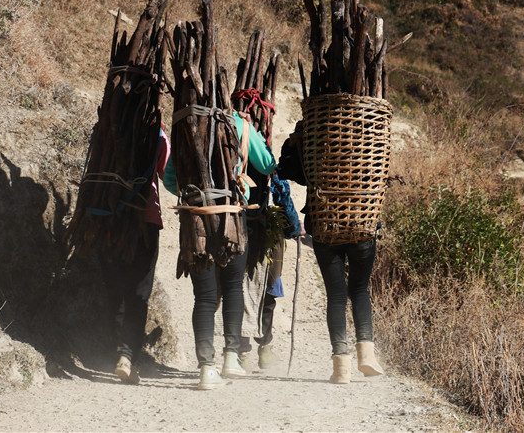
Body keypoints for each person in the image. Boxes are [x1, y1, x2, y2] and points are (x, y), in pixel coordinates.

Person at [164, 111, 276, 389]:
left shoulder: (183, 120)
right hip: (232, 219)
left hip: (196, 219)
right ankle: (231, 358)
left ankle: (206, 368)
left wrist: (194, 191)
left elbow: (169, 180)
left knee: (203, 297)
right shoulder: (238, 123)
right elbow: (266, 165)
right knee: (234, 287)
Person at [276, 122, 383, 384]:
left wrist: (292, 144)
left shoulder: (312, 142)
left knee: (336, 294)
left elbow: (286, 170)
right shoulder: (369, 140)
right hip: (363, 224)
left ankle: (341, 367)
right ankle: (366, 354)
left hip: (325, 226)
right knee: (359, 289)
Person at [98, 127, 170, 385]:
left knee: (114, 287)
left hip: (106, 216)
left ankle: (115, 350)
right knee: (139, 292)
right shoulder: (158, 135)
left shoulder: (106, 124)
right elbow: (169, 176)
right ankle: (126, 356)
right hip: (144, 219)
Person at [239, 174, 301, 371]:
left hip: (240, 232)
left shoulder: (235, 168)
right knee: (267, 296)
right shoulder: (270, 171)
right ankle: (264, 349)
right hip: (269, 239)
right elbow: (287, 213)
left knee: (240, 293)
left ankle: (242, 352)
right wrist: (295, 228)